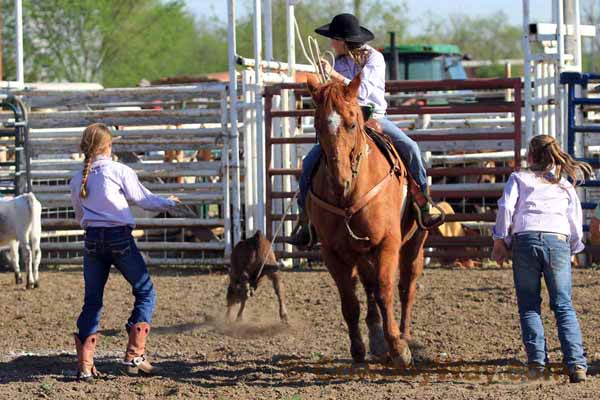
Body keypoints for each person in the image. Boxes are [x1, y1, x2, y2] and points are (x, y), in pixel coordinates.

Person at [287, 13, 442, 247]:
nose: (331, 43)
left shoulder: (375, 59)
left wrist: (333, 74)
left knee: (410, 148)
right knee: (310, 161)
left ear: (343, 40)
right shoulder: (339, 61)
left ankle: (423, 202)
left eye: (333, 39)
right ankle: (305, 217)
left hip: (374, 118)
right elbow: (337, 94)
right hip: (345, 122)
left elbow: (364, 91)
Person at [70, 123, 180, 380]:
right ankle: (135, 355)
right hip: (119, 237)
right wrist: (169, 203)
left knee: (93, 301)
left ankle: (85, 365)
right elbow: (144, 199)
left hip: (93, 239)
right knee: (145, 290)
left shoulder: (78, 179)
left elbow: (79, 216)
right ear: (108, 146)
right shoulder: (118, 170)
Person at [491, 134, 591, 383]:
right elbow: (575, 221)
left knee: (529, 305)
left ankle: (537, 364)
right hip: (558, 241)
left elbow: (506, 207)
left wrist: (501, 239)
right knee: (563, 304)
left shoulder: (519, 178)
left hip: (525, 240)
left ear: (531, 156)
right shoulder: (565, 184)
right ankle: (576, 364)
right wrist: (574, 248)